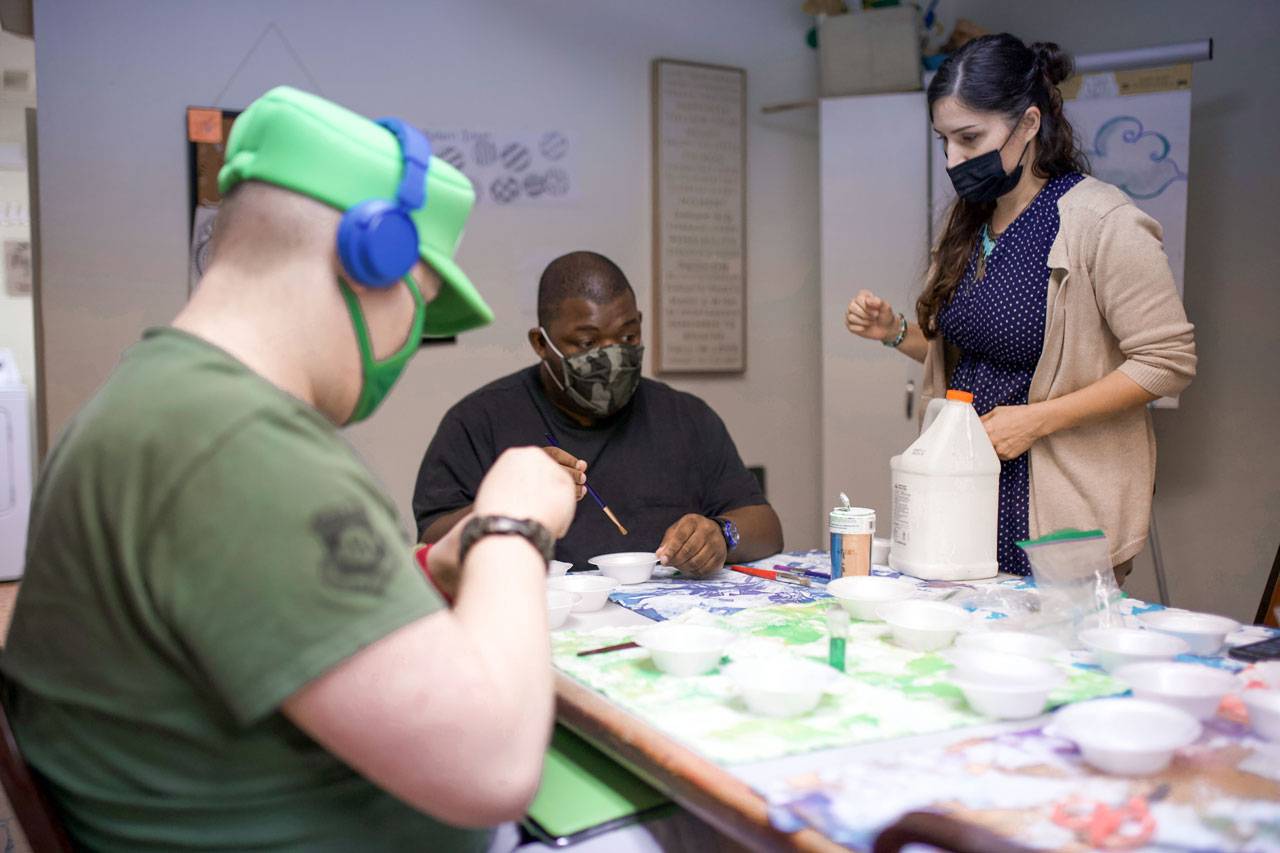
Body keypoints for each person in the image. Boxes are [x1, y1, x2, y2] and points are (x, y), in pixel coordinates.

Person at [0, 86, 577, 852]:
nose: (411, 340)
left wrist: (429, 565)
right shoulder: (234, 442)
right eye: (421, 303)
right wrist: (516, 522)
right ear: (375, 259)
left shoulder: (151, 401)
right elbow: (497, 764)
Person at [845, 34, 1195, 582]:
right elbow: (974, 360)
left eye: (969, 137)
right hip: (964, 494)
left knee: (1051, 661)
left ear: (1029, 124)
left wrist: (1034, 422)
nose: (952, 159)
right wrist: (895, 333)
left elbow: (1167, 361)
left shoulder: (1102, 223)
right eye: (943, 141)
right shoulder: (970, 223)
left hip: (1055, 503)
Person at [414, 251, 783, 576]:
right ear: (541, 343)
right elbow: (431, 547)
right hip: (542, 624)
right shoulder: (479, 421)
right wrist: (507, 503)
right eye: (588, 343)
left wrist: (722, 533)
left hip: (665, 628)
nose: (612, 356)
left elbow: (766, 528)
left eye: (627, 338)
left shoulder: (687, 418)